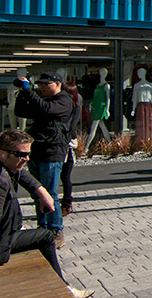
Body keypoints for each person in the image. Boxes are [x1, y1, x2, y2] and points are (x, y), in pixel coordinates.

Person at [0, 130, 94, 297]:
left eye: (28, 154)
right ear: (2, 154)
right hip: (0, 244)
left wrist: (42, 192)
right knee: (45, 237)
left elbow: (22, 175)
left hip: (6, 235)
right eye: (22, 154)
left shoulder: (6, 166)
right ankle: (63, 290)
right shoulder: (0, 181)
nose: (26, 159)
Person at [12, 72, 74, 249]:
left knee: (49, 194)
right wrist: (23, 93)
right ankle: (43, 228)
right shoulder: (42, 100)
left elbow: (46, 110)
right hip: (37, 150)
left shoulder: (64, 100)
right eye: (40, 85)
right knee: (37, 193)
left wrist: (29, 91)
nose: (42, 88)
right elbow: (21, 111)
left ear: (57, 83)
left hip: (52, 152)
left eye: (46, 84)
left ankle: (56, 231)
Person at [60, 82, 82, 217]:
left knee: (65, 176)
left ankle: (66, 203)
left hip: (67, 142)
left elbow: (71, 126)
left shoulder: (75, 106)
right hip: (62, 140)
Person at [131, 68, 152, 150]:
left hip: (148, 105)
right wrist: (133, 109)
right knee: (141, 123)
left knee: (149, 122)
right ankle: (140, 142)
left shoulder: (149, 85)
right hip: (140, 105)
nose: (139, 74)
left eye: (141, 72)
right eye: (138, 72)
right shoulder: (137, 85)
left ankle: (149, 142)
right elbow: (134, 98)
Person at [86, 68, 111, 149]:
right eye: (101, 72)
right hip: (95, 107)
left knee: (93, 127)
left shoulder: (106, 86)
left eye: (104, 72)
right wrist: (91, 104)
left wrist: (107, 109)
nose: (102, 74)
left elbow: (108, 98)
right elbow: (95, 97)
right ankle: (110, 143)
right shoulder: (98, 86)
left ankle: (86, 147)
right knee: (103, 127)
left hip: (100, 108)